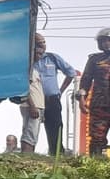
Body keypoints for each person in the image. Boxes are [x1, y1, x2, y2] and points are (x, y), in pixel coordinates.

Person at [33, 34, 77, 155]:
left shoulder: (52, 58)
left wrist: (61, 91)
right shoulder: (28, 59)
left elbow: (71, 73)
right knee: (31, 127)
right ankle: (29, 155)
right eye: (39, 42)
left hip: (52, 98)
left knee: (55, 126)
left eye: (44, 42)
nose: (42, 45)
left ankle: (56, 153)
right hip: (34, 100)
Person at [79, 28, 110, 157]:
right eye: (103, 41)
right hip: (100, 105)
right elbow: (85, 80)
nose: (106, 43)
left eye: (108, 40)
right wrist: (81, 98)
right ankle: (96, 165)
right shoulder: (94, 59)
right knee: (97, 137)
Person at [20, 64, 44, 154]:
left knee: (32, 133)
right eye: (38, 51)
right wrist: (32, 106)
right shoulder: (27, 70)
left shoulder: (35, 70)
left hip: (38, 105)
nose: (41, 54)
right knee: (30, 133)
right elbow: (24, 88)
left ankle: (28, 155)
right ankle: (26, 156)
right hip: (31, 105)